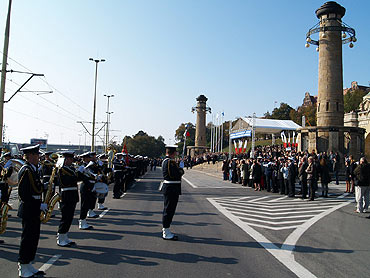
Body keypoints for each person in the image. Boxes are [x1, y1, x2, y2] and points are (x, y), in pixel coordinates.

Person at [17, 145, 46, 278]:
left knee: (34, 238)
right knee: (27, 239)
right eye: (35, 155)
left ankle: (29, 264)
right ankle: (23, 267)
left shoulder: (33, 170)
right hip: (29, 209)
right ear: (29, 156)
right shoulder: (26, 170)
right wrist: (38, 205)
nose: (38, 157)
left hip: (34, 209)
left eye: (38, 155)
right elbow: (24, 194)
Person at [56, 151, 79, 247]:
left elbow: (77, 178)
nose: (71, 161)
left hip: (72, 194)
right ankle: (60, 238)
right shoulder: (61, 170)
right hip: (66, 195)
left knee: (70, 217)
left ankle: (65, 236)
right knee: (65, 217)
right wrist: (77, 175)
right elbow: (65, 182)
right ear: (65, 160)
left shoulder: (71, 169)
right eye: (70, 159)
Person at [161, 145, 184, 240]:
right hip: (171, 188)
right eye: (175, 152)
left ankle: (166, 229)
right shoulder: (170, 162)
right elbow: (175, 174)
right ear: (173, 152)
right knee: (169, 210)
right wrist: (181, 169)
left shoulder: (167, 161)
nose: (176, 154)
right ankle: (166, 231)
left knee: (169, 209)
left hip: (171, 188)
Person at [77, 152, 95, 230]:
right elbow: (79, 177)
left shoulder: (90, 165)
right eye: (89, 157)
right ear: (85, 158)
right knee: (84, 205)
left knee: (87, 203)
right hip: (85, 186)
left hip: (90, 186)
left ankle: (84, 221)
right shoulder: (82, 166)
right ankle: (82, 221)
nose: (90, 158)